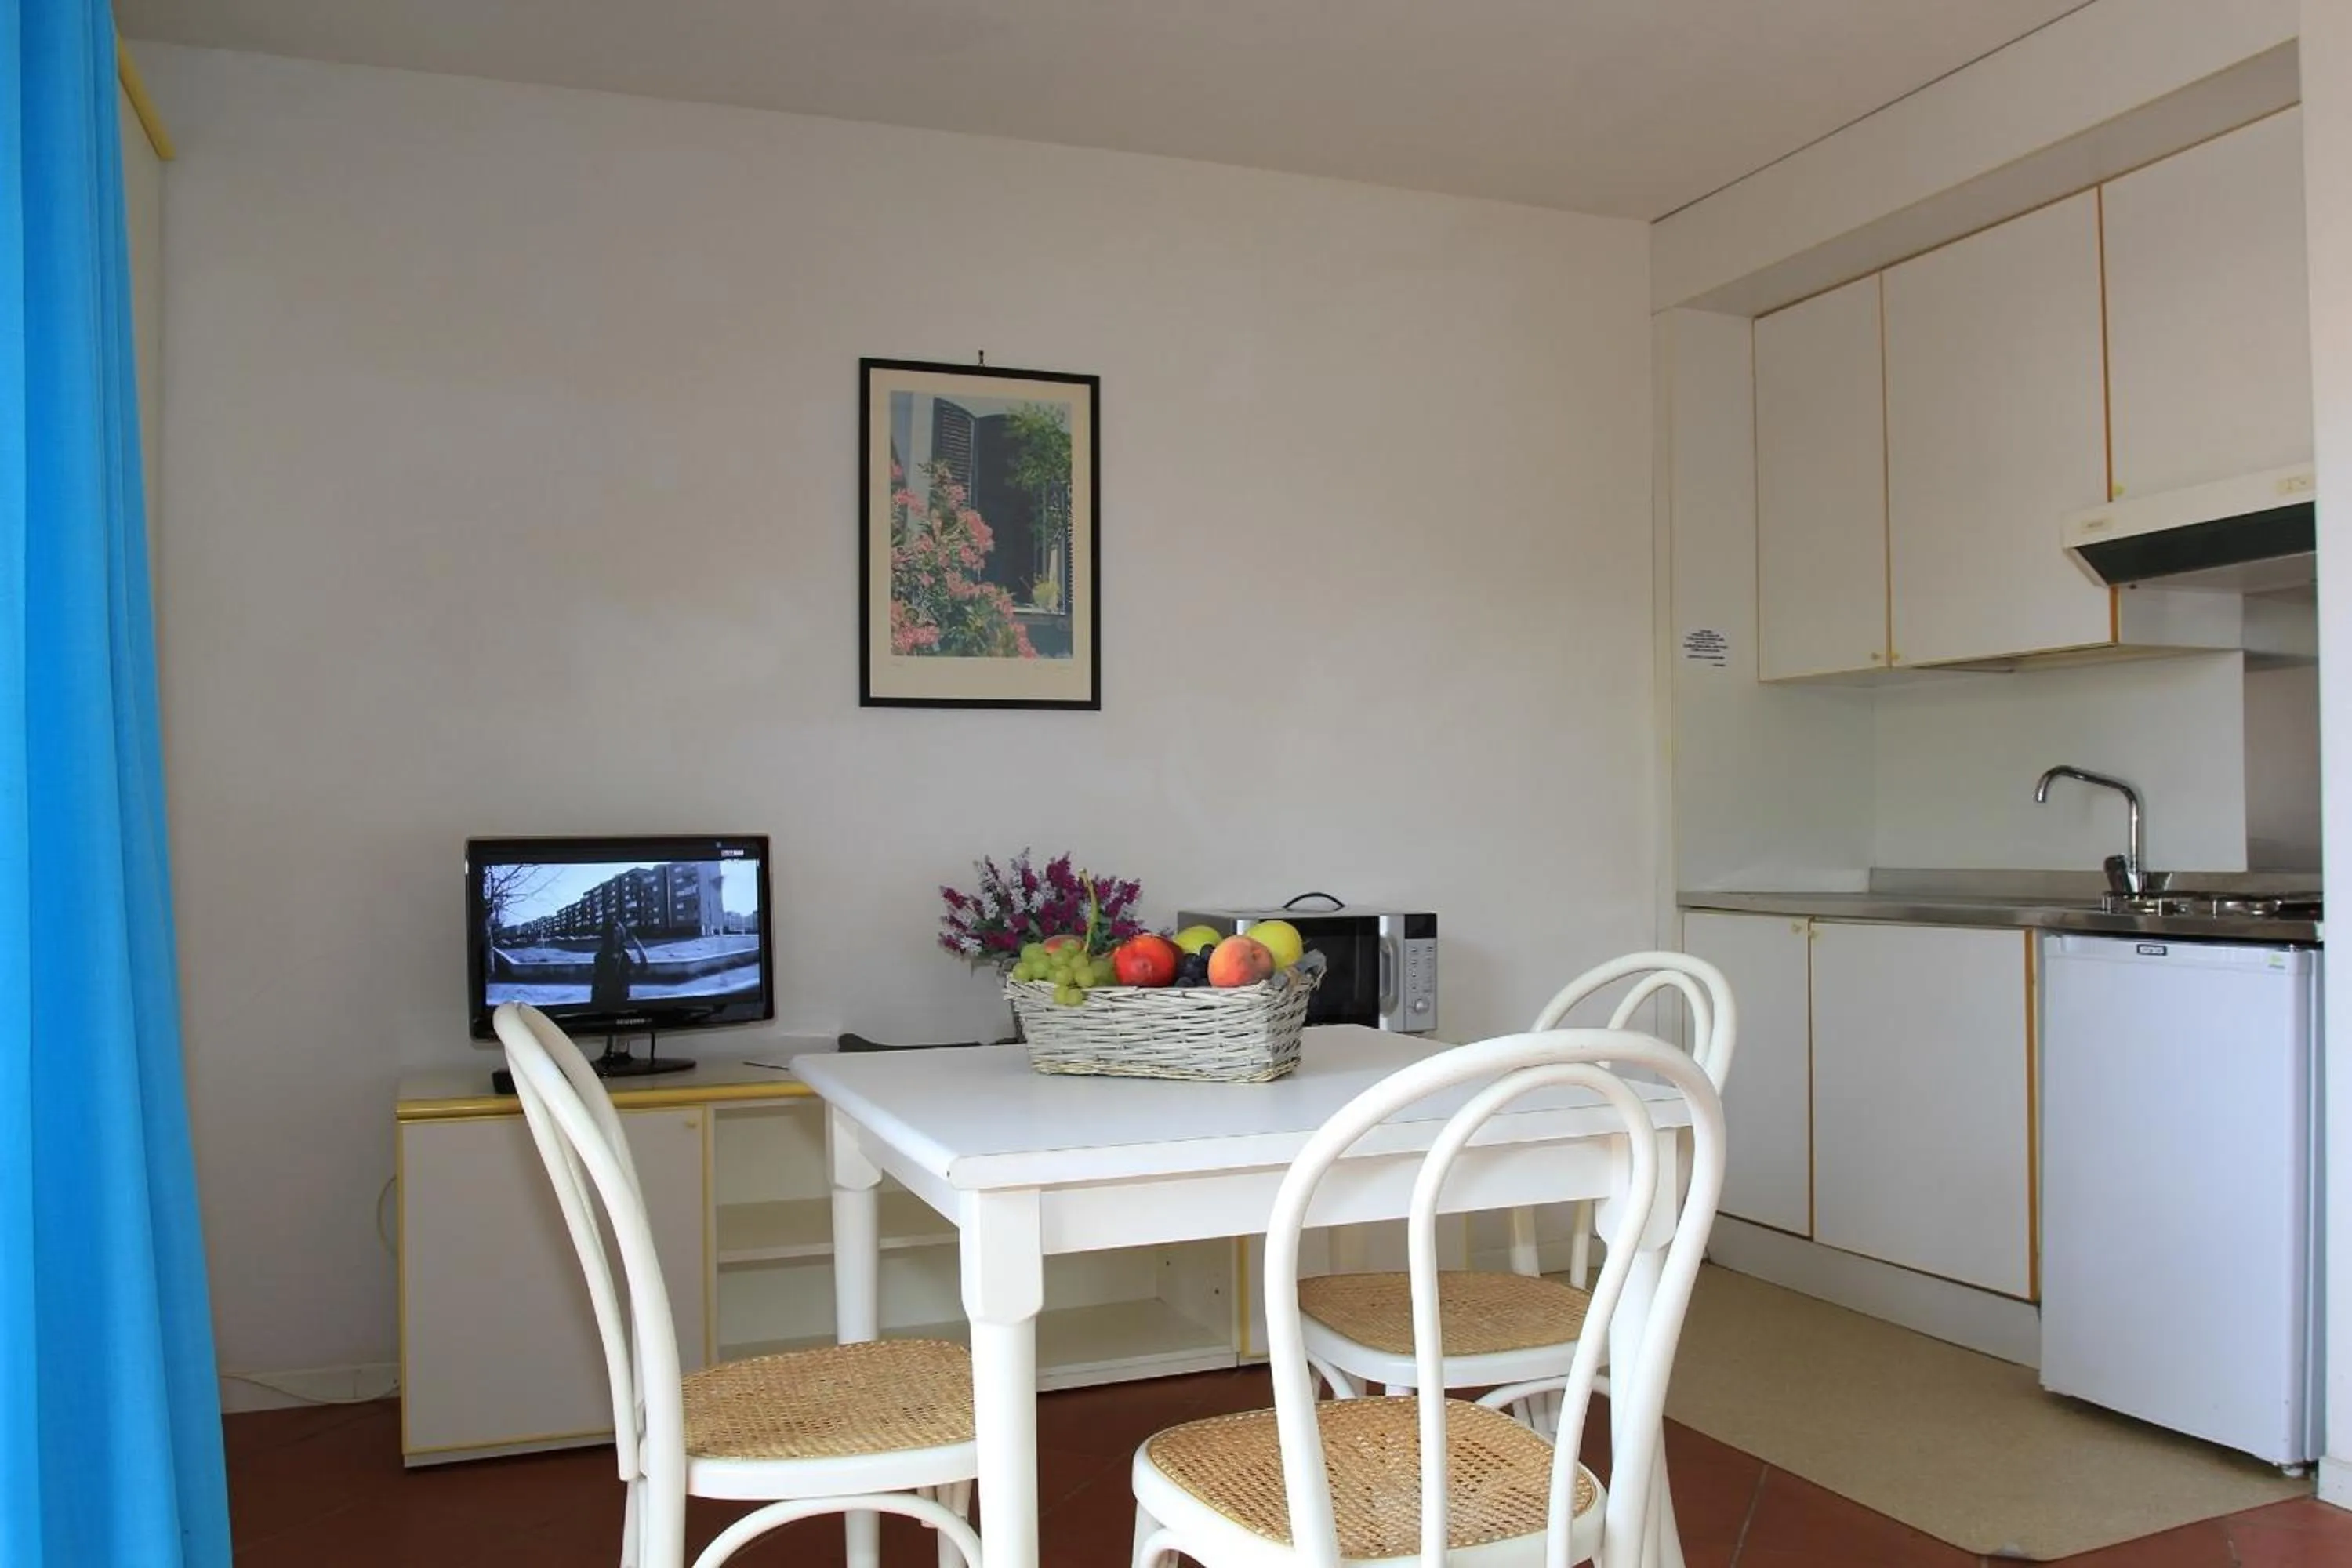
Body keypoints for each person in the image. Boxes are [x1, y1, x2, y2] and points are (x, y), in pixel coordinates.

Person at [590, 920, 647, 1011]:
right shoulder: (600, 957)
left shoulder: (625, 956)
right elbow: (596, 982)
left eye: (618, 932)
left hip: (622, 999)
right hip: (604, 1000)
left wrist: (637, 944)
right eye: (613, 932)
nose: (616, 935)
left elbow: (643, 967)